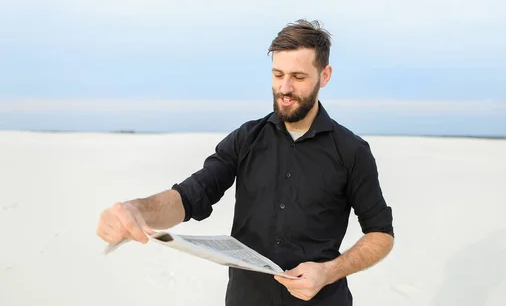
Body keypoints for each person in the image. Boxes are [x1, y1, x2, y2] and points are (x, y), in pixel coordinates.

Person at [96, 19, 395, 305]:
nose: (285, 88)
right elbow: (191, 195)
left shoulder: (351, 151)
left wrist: (329, 272)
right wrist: (137, 210)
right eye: (278, 75)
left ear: (324, 76)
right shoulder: (246, 139)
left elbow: (381, 233)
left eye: (298, 77)